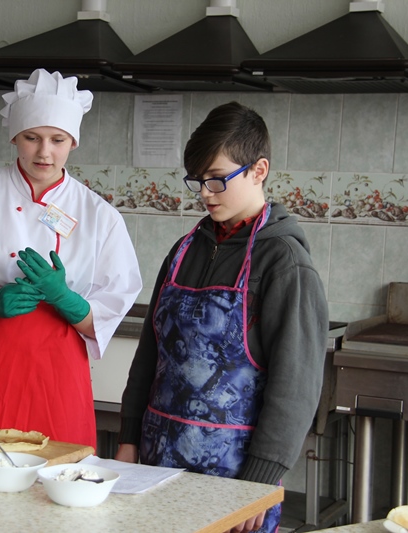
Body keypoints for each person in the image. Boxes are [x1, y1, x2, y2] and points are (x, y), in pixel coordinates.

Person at [115, 101, 328, 533]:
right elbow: (149, 356)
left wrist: (257, 485)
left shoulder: (284, 263)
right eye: (198, 181)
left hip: (234, 477)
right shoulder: (183, 251)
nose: (205, 193)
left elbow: (296, 387)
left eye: (216, 179)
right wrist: (128, 438)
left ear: (259, 170)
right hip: (155, 465)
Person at [0, 68, 142, 450]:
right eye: (32, 137)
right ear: (15, 137)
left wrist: (66, 299)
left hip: (55, 369)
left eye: (57, 139)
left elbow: (110, 308)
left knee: (56, 469)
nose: (44, 152)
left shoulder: (99, 214)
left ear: (73, 142)